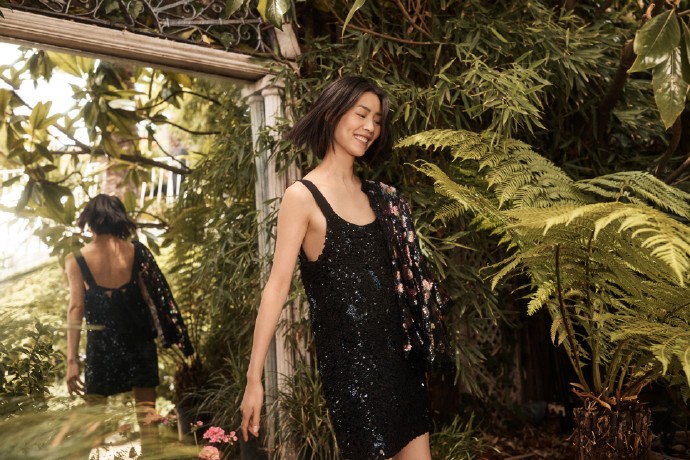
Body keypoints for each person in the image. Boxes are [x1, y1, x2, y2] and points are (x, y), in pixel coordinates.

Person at [240, 76, 454, 460]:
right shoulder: (302, 197)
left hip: (402, 363)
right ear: (332, 113)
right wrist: (254, 379)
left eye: (377, 120)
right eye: (361, 114)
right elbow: (276, 287)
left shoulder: (382, 198)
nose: (370, 127)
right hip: (353, 372)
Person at [64, 194, 193, 453]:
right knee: (148, 421)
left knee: (93, 421)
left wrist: (72, 360)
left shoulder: (76, 259)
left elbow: (76, 308)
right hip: (139, 341)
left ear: (90, 221)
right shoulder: (137, 251)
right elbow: (153, 296)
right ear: (119, 218)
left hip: (102, 347)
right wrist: (169, 333)